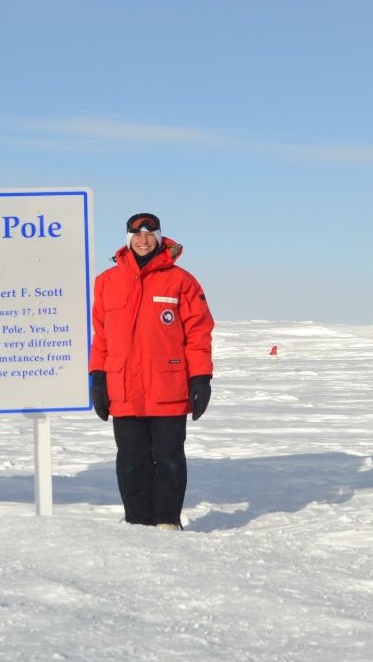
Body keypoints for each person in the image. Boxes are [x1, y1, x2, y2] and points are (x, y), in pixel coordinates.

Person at [88, 212, 214, 530]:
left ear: (159, 238)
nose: (143, 240)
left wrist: (201, 377)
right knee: (131, 461)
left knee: (170, 459)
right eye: (137, 234)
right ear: (127, 239)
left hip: (168, 387)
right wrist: (98, 376)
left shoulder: (182, 281)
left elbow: (198, 333)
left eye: (150, 233)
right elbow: (101, 335)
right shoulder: (106, 282)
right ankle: (137, 521)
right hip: (124, 388)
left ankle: (167, 520)